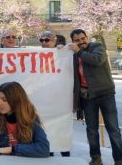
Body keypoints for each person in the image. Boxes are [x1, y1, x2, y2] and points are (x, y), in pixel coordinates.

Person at [69, 29, 122, 165]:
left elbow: (97, 60)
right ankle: (96, 158)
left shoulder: (97, 47)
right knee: (91, 130)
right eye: (77, 40)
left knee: (113, 129)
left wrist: (79, 51)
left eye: (83, 38)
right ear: (73, 42)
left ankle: (119, 159)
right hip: (87, 96)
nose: (81, 42)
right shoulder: (74, 54)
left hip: (105, 94)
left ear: (87, 37)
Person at [0, 82, 50, 157]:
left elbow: (44, 149)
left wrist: (12, 149)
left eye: (4, 100)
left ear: (16, 100)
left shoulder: (31, 119)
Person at [40, 31, 70, 157]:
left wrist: (61, 49)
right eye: (42, 40)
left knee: (61, 128)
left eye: (47, 40)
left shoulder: (62, 52)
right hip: (45, 100)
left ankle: (65, 155)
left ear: (54, 40)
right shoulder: (37, 54)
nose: (44, 43)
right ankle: (50, 154)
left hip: (60, 100)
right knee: (47, 130)